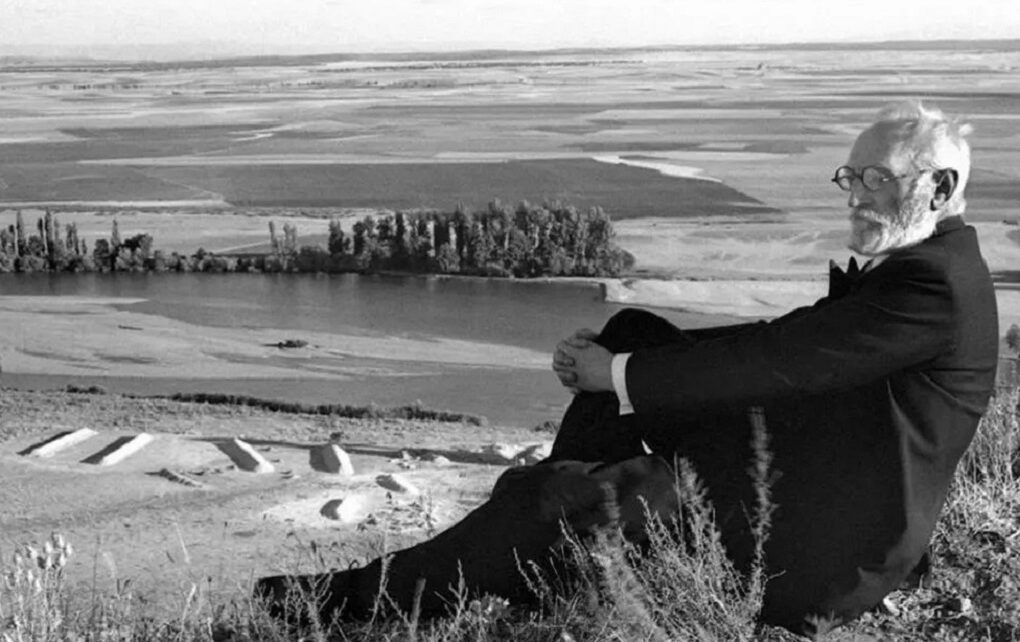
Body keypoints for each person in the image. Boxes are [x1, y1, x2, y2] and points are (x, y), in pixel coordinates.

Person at [256, 101, 998, 638]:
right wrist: (623, 361)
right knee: (634, 328)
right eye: (852, 177)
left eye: (879, 180)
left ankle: (356, 600)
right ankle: (567, 527)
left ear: (938, 188)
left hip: (819, 546)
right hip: (810, 470)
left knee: (564, 493)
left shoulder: (930, 287)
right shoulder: (927, 265)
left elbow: (776, 361)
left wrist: (616, 378)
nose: (858, 196)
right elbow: (789, 340)